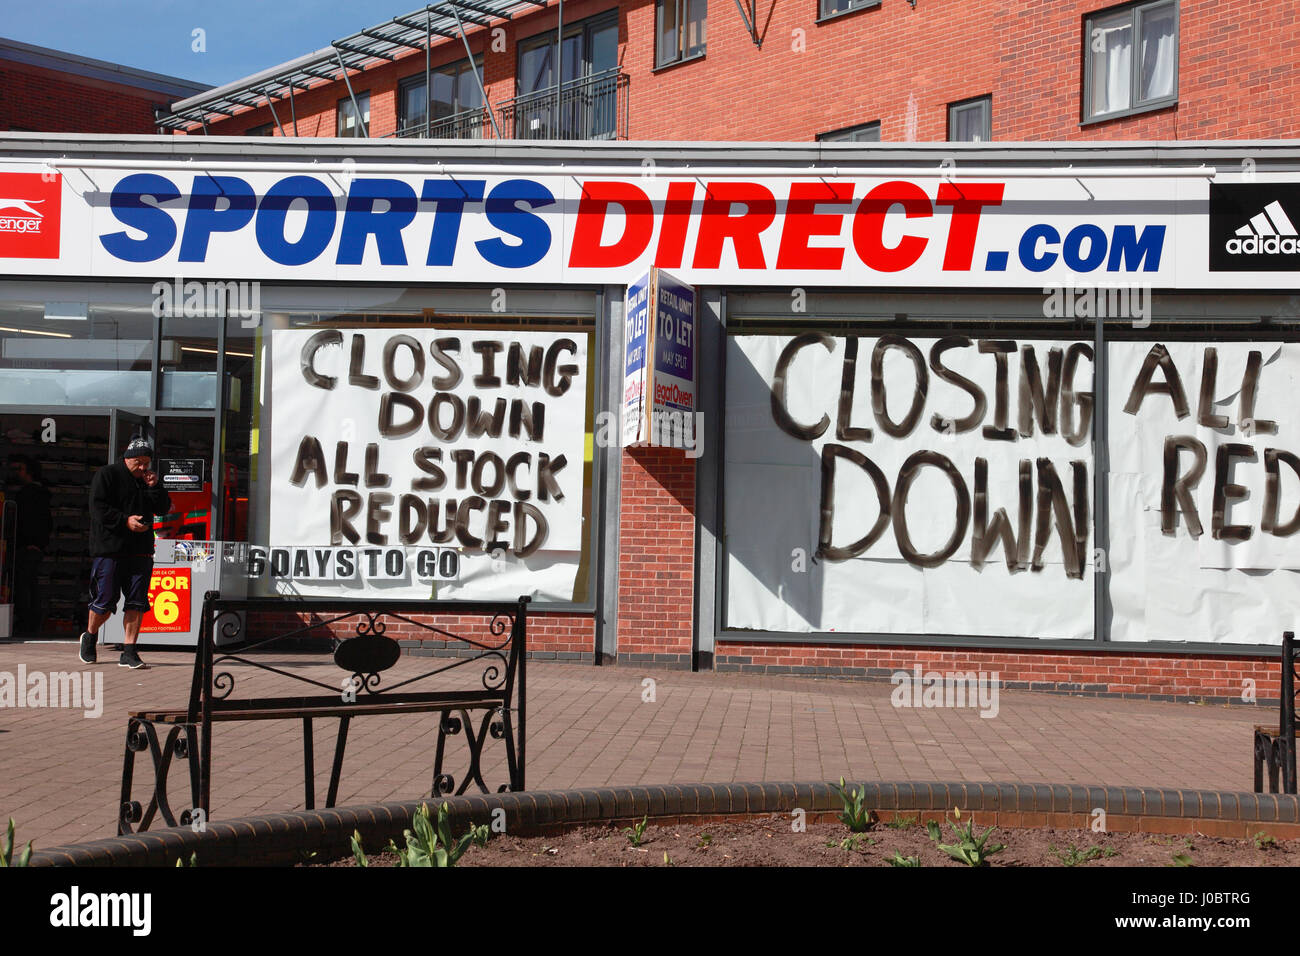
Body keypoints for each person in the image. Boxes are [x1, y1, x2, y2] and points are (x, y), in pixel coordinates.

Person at [79, 436, 171, 669]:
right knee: (105, 600)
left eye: (146, 463)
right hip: (110, 550)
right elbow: (97, 508)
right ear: (127, 458)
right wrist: (124, 521)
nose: (142, 467)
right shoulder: (107, 475)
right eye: (138, 462)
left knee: (137, 602)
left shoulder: (147, 480)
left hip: (140, 551)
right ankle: (90, 635)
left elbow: (162, 508)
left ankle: (129, 651)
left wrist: (156, 487)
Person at [7, 454, 51, 636]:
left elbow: (31, 522)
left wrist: (29, 543)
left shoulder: (28, 495)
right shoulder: (41, 494)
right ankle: (31, 624)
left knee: (25, 586)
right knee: (30, 585)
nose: (17, 473)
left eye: (20, 470)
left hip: (27, 546)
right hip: (33, 546)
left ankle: (27, 624)